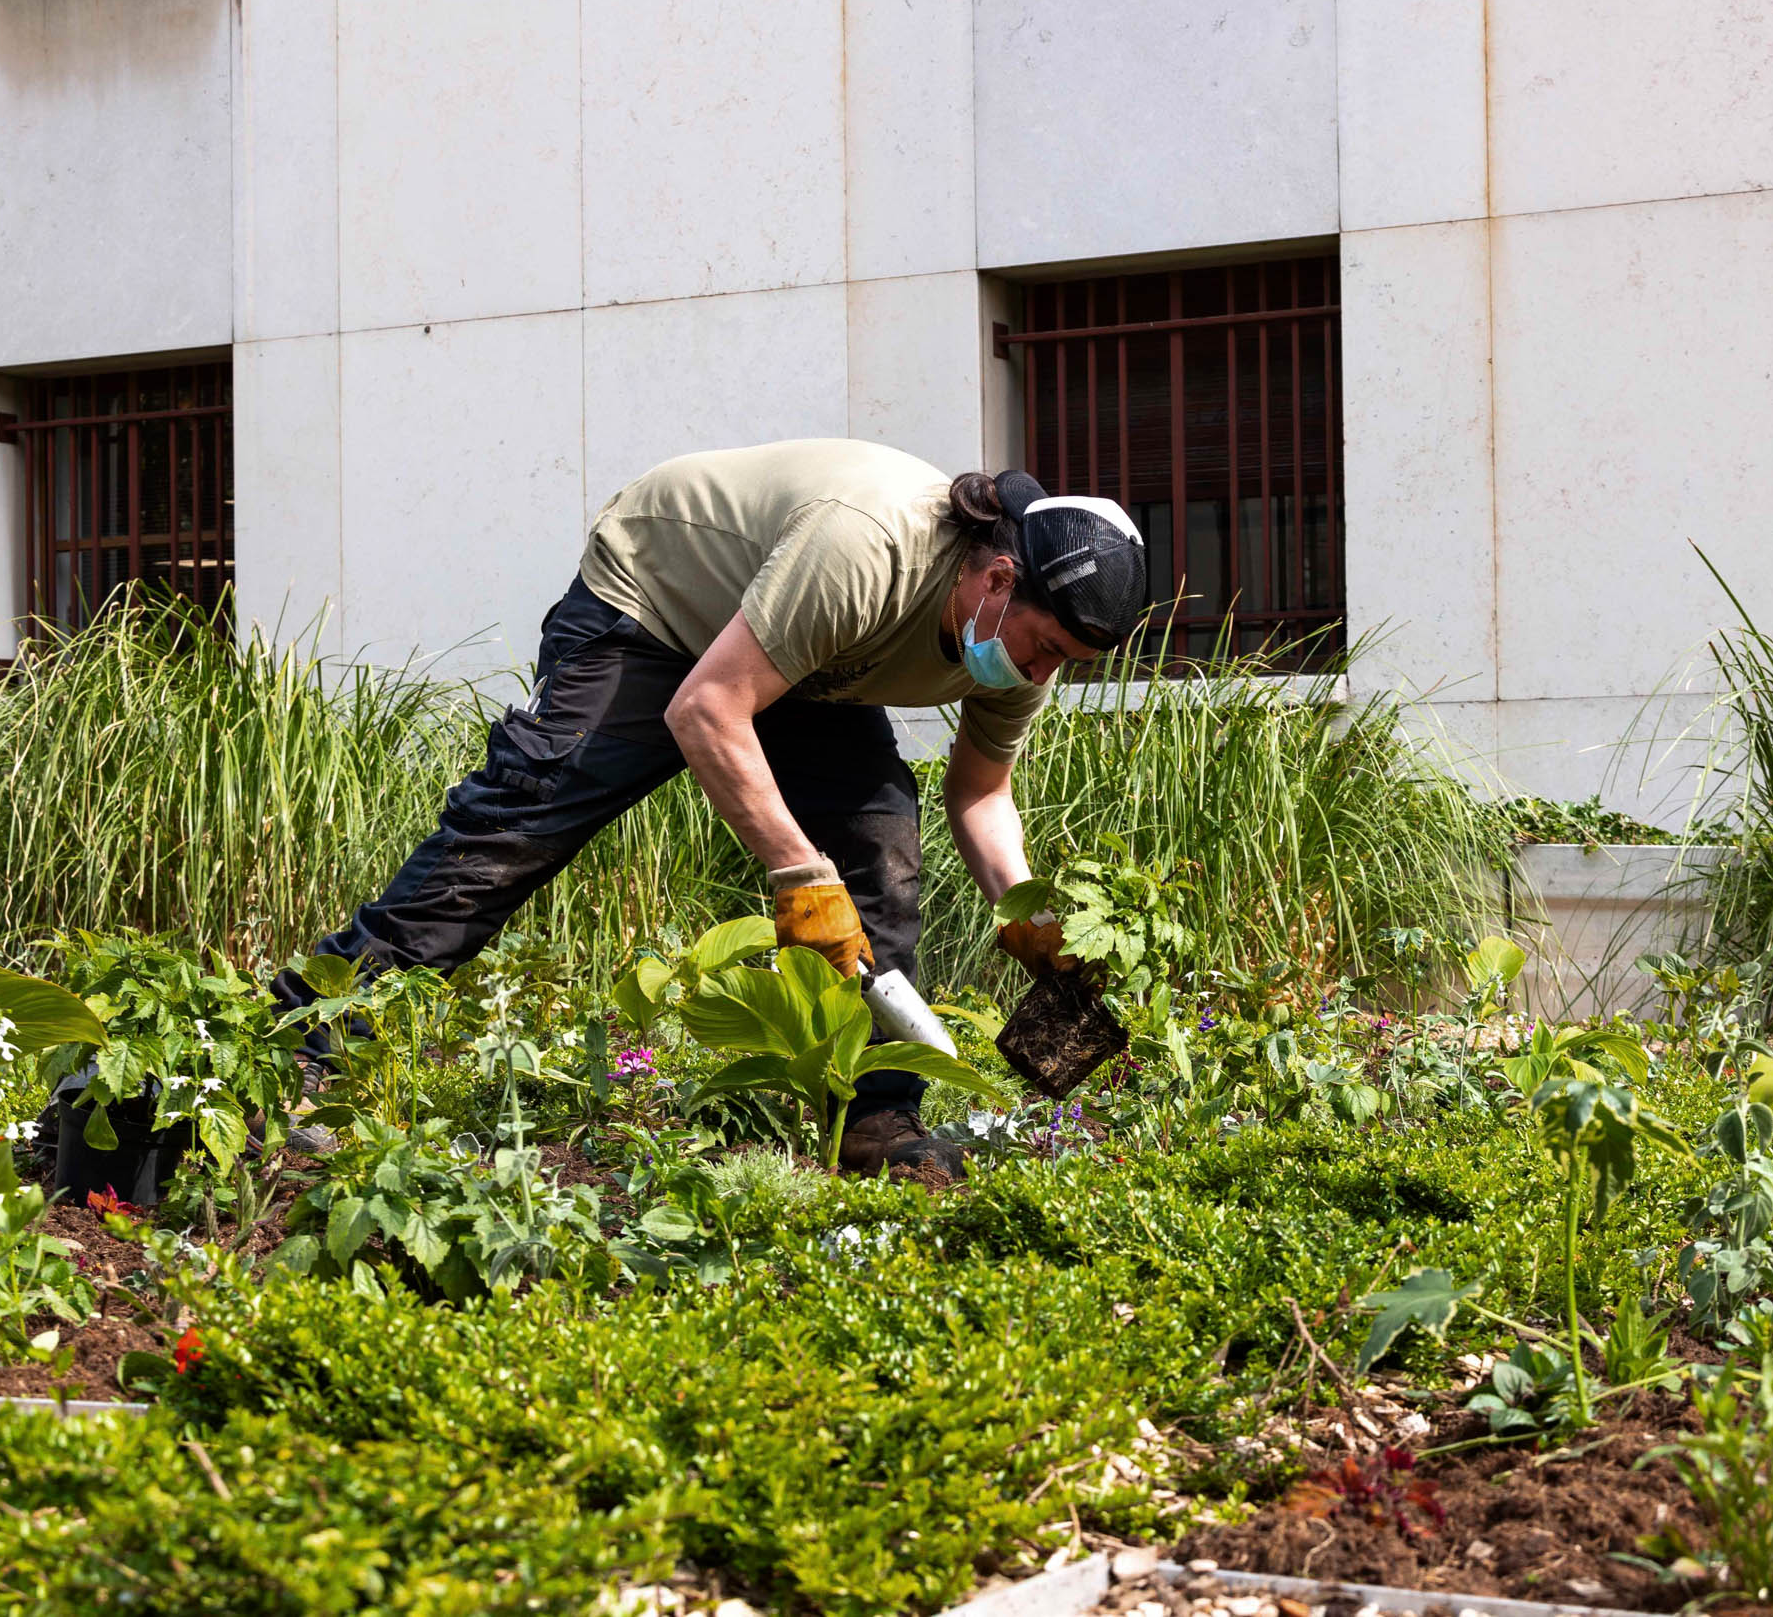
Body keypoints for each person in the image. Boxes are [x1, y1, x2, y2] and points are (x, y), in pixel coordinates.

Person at [274, 438, 1147, 1177]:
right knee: (517, 825)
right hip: (657, 602)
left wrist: (1028, 915)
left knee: (878, 854)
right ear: (999, 577)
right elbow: (705, 709)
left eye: (1064, 661)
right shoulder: (867, 551)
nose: (1040, 675)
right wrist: (799, 876)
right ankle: (293, 1055)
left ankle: (879, 1123)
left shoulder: (1025, 645)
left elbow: (981, 791)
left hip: (802, 655)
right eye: (1042, 648)